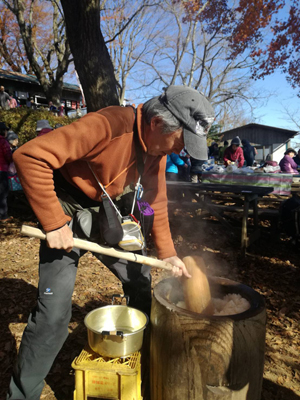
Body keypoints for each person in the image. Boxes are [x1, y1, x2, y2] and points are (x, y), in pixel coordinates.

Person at [7, 85, 215, 399]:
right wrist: (53, 222)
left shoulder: (155, 150)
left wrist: (169, 254)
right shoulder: (107, 125)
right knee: (54, 316)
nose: (178, 152)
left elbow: (155, 204)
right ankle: (22, 394)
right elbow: (29, 156)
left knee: (140, 280)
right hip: (63, 213)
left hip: (107, 213)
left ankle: (140, 365)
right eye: (181, 142)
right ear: (157, 123)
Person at [0, 122, 13, 222]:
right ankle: (3, 216)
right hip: (2, 170)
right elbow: (8, 157)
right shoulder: (3, 142)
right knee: (3, 194)